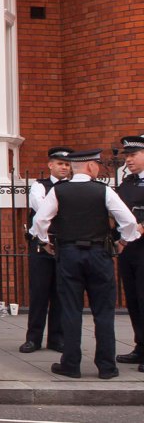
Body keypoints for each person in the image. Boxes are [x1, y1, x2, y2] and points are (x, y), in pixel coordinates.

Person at [31, 148, 141, 379]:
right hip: (99, 254)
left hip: (69, 254)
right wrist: (123, 242)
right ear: (91, 166)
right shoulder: (103, 191)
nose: (99, 168)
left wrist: (44, 242)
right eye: (97, 164)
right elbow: (129, 222)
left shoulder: (59, 191)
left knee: (71, 309)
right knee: (103, 311)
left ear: (73, 167)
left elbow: (40, 220)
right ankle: (106, 367)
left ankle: (70, 364)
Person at [20, 146, 73, 354]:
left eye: (67, 164)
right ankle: (33, 338)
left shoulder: (72, 187)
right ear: (50, 165)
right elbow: (41, 208)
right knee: (39, 292)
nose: (64, 168)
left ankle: (56, 339)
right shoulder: (39, 185)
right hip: (41, 244)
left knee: (61, 292)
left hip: (63, 243)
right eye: (60, 163)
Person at [115, 135, 144, 368]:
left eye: (133, 155)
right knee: (133, 300)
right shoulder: (127, 183)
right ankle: (140, 347)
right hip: (129, 249)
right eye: (127, 156)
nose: (129, 160)